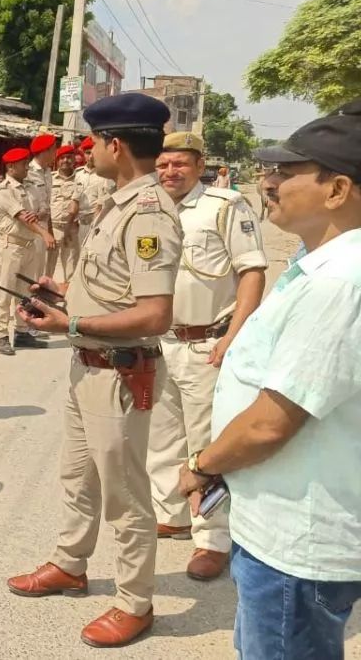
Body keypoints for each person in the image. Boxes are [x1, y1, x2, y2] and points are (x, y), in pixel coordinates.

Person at [177, 102, 361, 659]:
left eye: (286, 172)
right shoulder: (320, 264)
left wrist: (202, 466)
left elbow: (269, 424)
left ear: (337, 190)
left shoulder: (339, 282)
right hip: (279, 525)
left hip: (298, 541)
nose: (268, 182)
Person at [7, 92, 181, 648]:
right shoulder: (118, 203)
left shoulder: (149, 212)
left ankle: (135, 601)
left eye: (95, 143)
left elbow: (155, 312)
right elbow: (111, 287)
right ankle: (70, 563)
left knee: (125, 493)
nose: (88, 153)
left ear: (116, 145)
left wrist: (69, 326)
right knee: (77, 477)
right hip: (89, 367)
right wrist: (61, 293)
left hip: (119, 373)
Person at [145, 131, 268, 581]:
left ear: (199, 165)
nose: (169, 172)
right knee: (160, 439)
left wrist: (234, 336)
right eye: (162, 165)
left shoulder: (224, 206)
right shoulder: (150, 208)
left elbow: (252, 271)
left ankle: (212, 537)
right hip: (160, 343)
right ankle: (172, 513)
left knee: (206, 444)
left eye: (179, 164)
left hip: (205, 344)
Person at [0, 148, 54, 356]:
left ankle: (22, 331)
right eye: (23, 164)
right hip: (11, 246)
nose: (27, 166)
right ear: (11, 167)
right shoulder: (3, 190)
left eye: (27, 162)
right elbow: (23, 217)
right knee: (6, 291)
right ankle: (1, 335)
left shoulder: (31, 186)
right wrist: (44, 233)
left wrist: (40, 223)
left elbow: (40, 210)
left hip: (29, 245)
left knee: (26, 292)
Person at [48, 145, 85, 280]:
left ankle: (67, 295)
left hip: (73, 229)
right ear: (57, 161)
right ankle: (45, 294)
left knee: (70, 265)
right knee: (48, 265)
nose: (65, 160)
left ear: (74, 159)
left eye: (69, 157)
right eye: (62, 158)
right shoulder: (50, 178)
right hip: (52, 228)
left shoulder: (81, 178)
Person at [27, 133, 59, 282]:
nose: (55, 153)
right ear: (45, 151)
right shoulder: (27, 172)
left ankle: (36, 299)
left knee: (40, 267)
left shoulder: (47, 173)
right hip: (30, 225)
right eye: (54, 149)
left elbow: (48, 203)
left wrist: (50, 228)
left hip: (44, 225)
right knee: (29, 268)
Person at [75, 136, 115, 246]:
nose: (91, 156)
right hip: (80, 225)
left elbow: (105, 203)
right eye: (87, 153)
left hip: (99, 224)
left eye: (93, 152)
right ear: (83, 154)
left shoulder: (106, 175)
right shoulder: (78, 174)